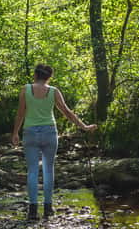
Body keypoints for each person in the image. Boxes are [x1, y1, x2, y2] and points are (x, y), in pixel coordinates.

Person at [11, 64, 97, 221]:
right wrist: (84, 127)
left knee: (32, 171)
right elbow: (66, 111)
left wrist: (15, 133)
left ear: (35, 75)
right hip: (50, 132)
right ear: (49, 77)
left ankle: (32, 211)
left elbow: (20, 113)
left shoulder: (26, 89)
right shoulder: (53, 91)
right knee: (48, 170)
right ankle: (48, 208)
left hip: (30, 132)